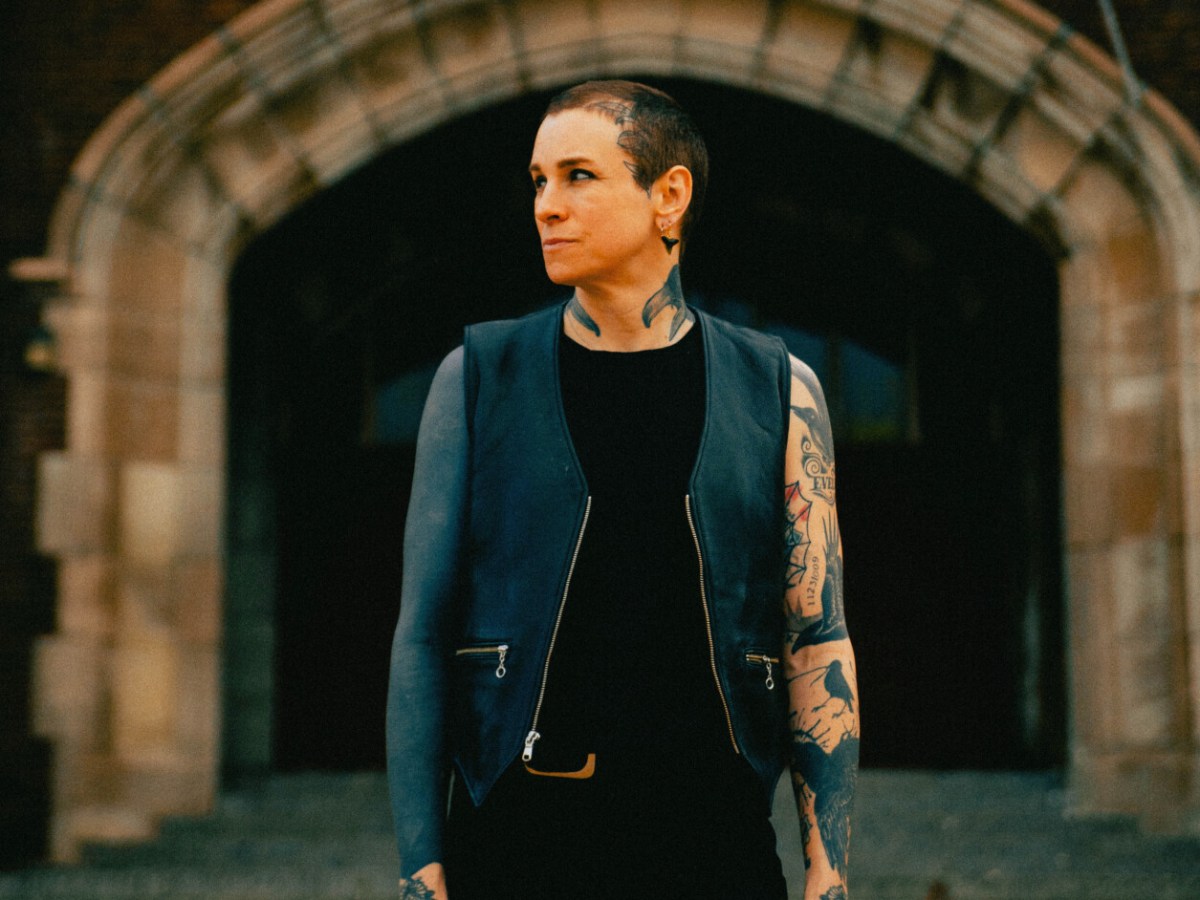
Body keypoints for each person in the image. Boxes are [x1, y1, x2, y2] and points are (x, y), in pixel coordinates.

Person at [386, 80, 860, 900]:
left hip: (712, 841)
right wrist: (421, 865)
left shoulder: (779, 389)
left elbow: (815, 635)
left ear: (668, 196)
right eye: (539, 180)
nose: (546, 205)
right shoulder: (478, 378)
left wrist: (829, 867)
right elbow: (423, 634)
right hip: (521, 835)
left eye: (579, 176)